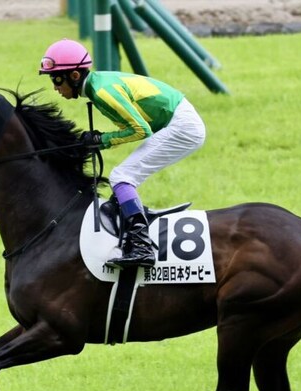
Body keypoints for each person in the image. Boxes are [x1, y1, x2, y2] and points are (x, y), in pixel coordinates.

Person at [38, 38, 206, 268]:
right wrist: (99, 140)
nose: (55, 87)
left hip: (182, 127)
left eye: (56, 79)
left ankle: (142, 247)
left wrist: (101, 140)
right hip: (176, 121)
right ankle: (130, 227)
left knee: (121, 176)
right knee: (122, 181)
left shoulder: (103, 91)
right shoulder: (96, 87)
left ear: (74, 75)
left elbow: (141, 130)